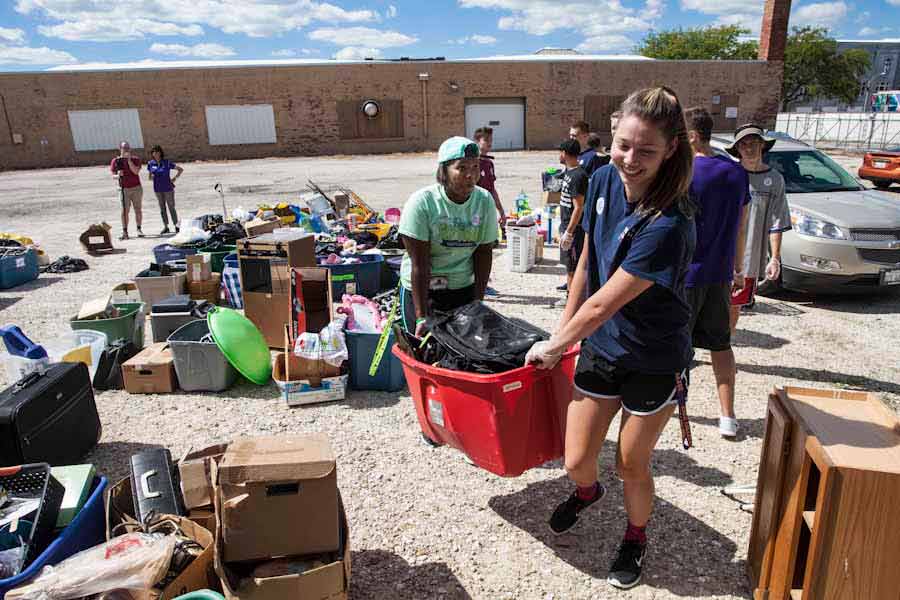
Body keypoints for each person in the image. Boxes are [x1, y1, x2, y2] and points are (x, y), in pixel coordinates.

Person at [526, 87, 696, 590]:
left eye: (646, 151)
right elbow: (588, 263)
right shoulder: (601, 177)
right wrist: (563, 328)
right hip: (602, 348)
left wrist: (556, 347)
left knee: (631, 463)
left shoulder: (670, 221)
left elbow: (607, 302)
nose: (630, 159)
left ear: (671, 149)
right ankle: (585, 492)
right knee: (577, 460)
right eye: (624, 144)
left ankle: (636, 536)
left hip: (654, 357)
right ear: (613, 133)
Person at [684, 107, 751, 439]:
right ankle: (728, 416)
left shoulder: (683, 172)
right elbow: (741, 227)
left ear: (693, 136)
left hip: (685, 275)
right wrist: (737, 268)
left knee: (676, 344)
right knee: (720, 345)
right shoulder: (737, 174)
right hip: (720, 274)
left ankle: (670, 406)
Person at [399, 136, 499, 337]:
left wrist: (477, 305)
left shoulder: (484, 200)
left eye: (475, 167)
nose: (470, 175)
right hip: (422, 291)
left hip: (463, 287)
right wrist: (421, 316)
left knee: (464, 350)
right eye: (461, 168)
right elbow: (420, 264)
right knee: (424, 349)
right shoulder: (423, 203)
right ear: (443, 170)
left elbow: (483, 254)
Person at [726, 125, 791, 332]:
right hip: (722, 255)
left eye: (753, 143)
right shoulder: (728, 175)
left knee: (735, 307)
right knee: (708, 304)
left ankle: (723, 346)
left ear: (762, 145)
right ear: (737, 149)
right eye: (743, 144)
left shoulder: (775, 180)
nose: (749, 148)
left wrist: (775, 258)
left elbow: (777, 221)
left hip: (750, 259)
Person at [554, 139, 589, 309]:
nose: (559, 155)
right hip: (566, 224)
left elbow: (579, 206)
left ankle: (571, 300)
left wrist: (569, 232)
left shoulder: (578, 176)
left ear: (566, 154)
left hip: (574, 229)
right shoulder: (569, 172)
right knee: (568, 264)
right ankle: (571, 295)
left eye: (560, 151)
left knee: (573, 267)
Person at [110, 141, 143, 240]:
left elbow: (136, 172)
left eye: (128, 148)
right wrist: (118, 175)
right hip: (124, 189)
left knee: (138, 209)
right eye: (124, 148)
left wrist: (129, 161)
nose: (127, 150)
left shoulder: (135, 159)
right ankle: (125, 231)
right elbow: (113, 176)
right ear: (120, 149)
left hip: (136, 187)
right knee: (125, 211)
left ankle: (139, 229)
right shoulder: (115, 161)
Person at [147, 145, 183, 235]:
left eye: (157, 151)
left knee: (171, 207)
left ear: (160, 152)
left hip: (168, 188)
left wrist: (174, 178)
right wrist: (152, 177)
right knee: (162, 208)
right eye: (153, 152)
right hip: (157, 189)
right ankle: (166, 226)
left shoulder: (166, 162)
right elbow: (149, 177)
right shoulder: (151, 163)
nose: (155, 153)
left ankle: (176, 225)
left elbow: (180, 169)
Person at [473, 127, 505, 229]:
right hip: (473, 210)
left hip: (486, 208)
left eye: (491, 140)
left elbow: (491, 189)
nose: (489, 143)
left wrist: (501, 211)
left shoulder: (489, 164)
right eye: (486, 140)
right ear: (477, 142)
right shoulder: (472, 163)